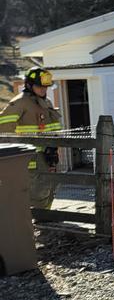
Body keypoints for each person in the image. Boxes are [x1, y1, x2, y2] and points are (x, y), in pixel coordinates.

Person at [0, 67, 63, 209]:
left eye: (45, 87)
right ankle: (37, 218)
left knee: (51, 185)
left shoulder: (46, 103)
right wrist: (16, 150)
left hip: (48, 153)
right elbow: (3, 127)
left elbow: (54, 128)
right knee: (37, 188)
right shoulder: (20, 102)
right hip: (31, 156)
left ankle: (46, 216)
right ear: (29, 85)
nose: (43, 90)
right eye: (39, 86)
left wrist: (54, 146)